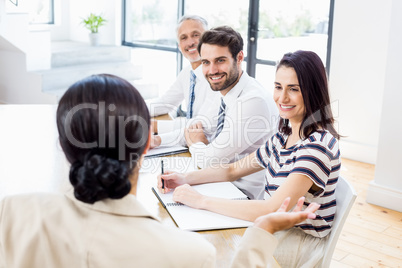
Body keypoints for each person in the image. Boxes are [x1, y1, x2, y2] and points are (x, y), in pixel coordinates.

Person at [0, 73, 320, 268]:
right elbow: (234, 167)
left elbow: (232, 166)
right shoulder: (188, 253)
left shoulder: (10, 214)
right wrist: (262, 231)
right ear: (146, 146)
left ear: (63, 145)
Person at [158, 50, 341, 267]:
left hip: (298, 242)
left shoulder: (316, 147)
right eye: (278, 87)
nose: (282, 98)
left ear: (312, 92)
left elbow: (270, 209)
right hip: (273, 229)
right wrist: (185, 178)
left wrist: (201, 201)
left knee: (216, 253)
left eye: (294, 89)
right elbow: (233, 170)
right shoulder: (284, 135)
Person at [153, 26, 279, 200]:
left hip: (242, 195)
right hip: (219, 183)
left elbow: (208, 162)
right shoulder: (223, 90)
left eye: (220, 60)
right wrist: (157, 140)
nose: (212, 70)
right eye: (206, 62)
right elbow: (196, 127)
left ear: (239, 57)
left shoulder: (252, 101)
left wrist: (197, 143)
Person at [146, 15, 215, 118]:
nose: (190, 43)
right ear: (179, 46)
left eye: (196, 35)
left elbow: (205, 126)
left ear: (209, 38)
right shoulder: (187, 73)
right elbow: (165, 103)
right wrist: (131, 109)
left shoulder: (216, 75)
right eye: (184, 38)